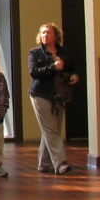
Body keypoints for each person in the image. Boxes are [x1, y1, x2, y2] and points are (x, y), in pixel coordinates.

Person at [28, 23, 80, 175]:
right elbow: (33, 72)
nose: (45, 35)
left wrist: (75, 75)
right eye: (43, 33)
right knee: (51, 129)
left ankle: (44, 164)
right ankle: (61, 163)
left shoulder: (64, 52)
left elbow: (74, 67)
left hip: (59, 95)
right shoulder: (35, 53)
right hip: (40, 94)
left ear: (56, 36)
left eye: (48, 33)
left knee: (52, 129)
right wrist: (53, 67)